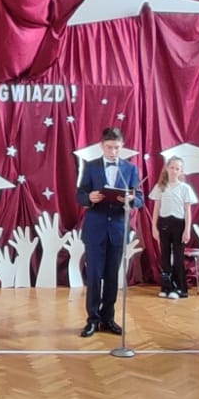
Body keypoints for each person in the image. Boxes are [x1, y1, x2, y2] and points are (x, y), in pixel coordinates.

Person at [77, 128, 142, 337]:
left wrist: (131, 200)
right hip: (95, 229)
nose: (113, 151)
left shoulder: (130, 169)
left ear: (122, 147)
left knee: (112, 277)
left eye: (117, 148)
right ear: (101, 146)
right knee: (94, 277)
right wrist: (89, 198)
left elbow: (140, 198)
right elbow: (80, 194)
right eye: (109, 147)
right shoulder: (91, 166)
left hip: (117, 230)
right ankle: (92, 320)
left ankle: (108, 319)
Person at [149, 156, 198, 300]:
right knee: (165, 257)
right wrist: (154, 228)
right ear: (166, 168)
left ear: (181, 171)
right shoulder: (160, 187)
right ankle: (166, 287)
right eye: (172, 168)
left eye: (177, 169)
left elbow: (187, 211)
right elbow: (156, 209)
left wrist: (187, 230)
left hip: (179, 225)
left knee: (178, 258)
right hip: (164, 223)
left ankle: (180, 288)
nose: (174, 171)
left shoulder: (185, 188)